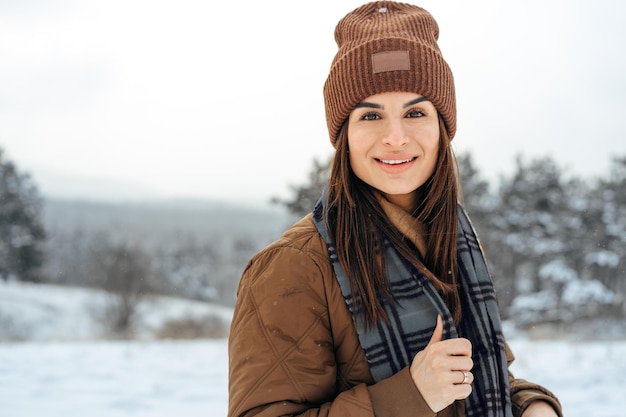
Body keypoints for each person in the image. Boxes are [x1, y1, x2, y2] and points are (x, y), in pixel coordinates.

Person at [228, 2, 563, 416]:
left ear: (441, 129)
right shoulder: (292, 267)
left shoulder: (453, 238)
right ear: (344, 136)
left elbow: (476, 376)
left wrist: (530, 405)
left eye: (415, 112)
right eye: (371, 115)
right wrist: (408, 398)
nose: (395, 137)